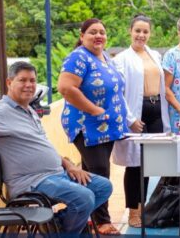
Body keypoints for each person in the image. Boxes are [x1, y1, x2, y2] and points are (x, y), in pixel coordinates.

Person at [0, 61, 113, 235]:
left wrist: (70, 165)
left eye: (32, 81)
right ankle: (63, 231)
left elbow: (43, 147)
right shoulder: (2, 111)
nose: (28, 85)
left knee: (103, 187)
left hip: (57, 175)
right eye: (22, 80)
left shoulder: (29, 110)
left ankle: (58, 225)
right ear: (9, 83)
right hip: (32, 182)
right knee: (84, 198)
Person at [57, 18, 129, 236]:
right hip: (87, 126)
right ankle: (103, 221)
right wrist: (95, 111)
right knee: (99, 171)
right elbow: (66, 88)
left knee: (89, 173)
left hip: (107, 127)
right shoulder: (78, 57)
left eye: (102, 32)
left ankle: (82, 216)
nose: (98, 36)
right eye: (92, 32)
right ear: (82, 36)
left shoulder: (105, 57)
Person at [112, 14, 170, 227]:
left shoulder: (155, 55)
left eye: (145, 31)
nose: (141, 35)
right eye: (138, 30)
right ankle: (133, 212)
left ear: (149, 33)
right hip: (137, 113)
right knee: (134, 165)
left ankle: (144, 206)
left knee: (149, 162)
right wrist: (130, 118)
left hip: (156, 111)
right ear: (130, 31)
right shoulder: (121, 59)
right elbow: (117, 92)